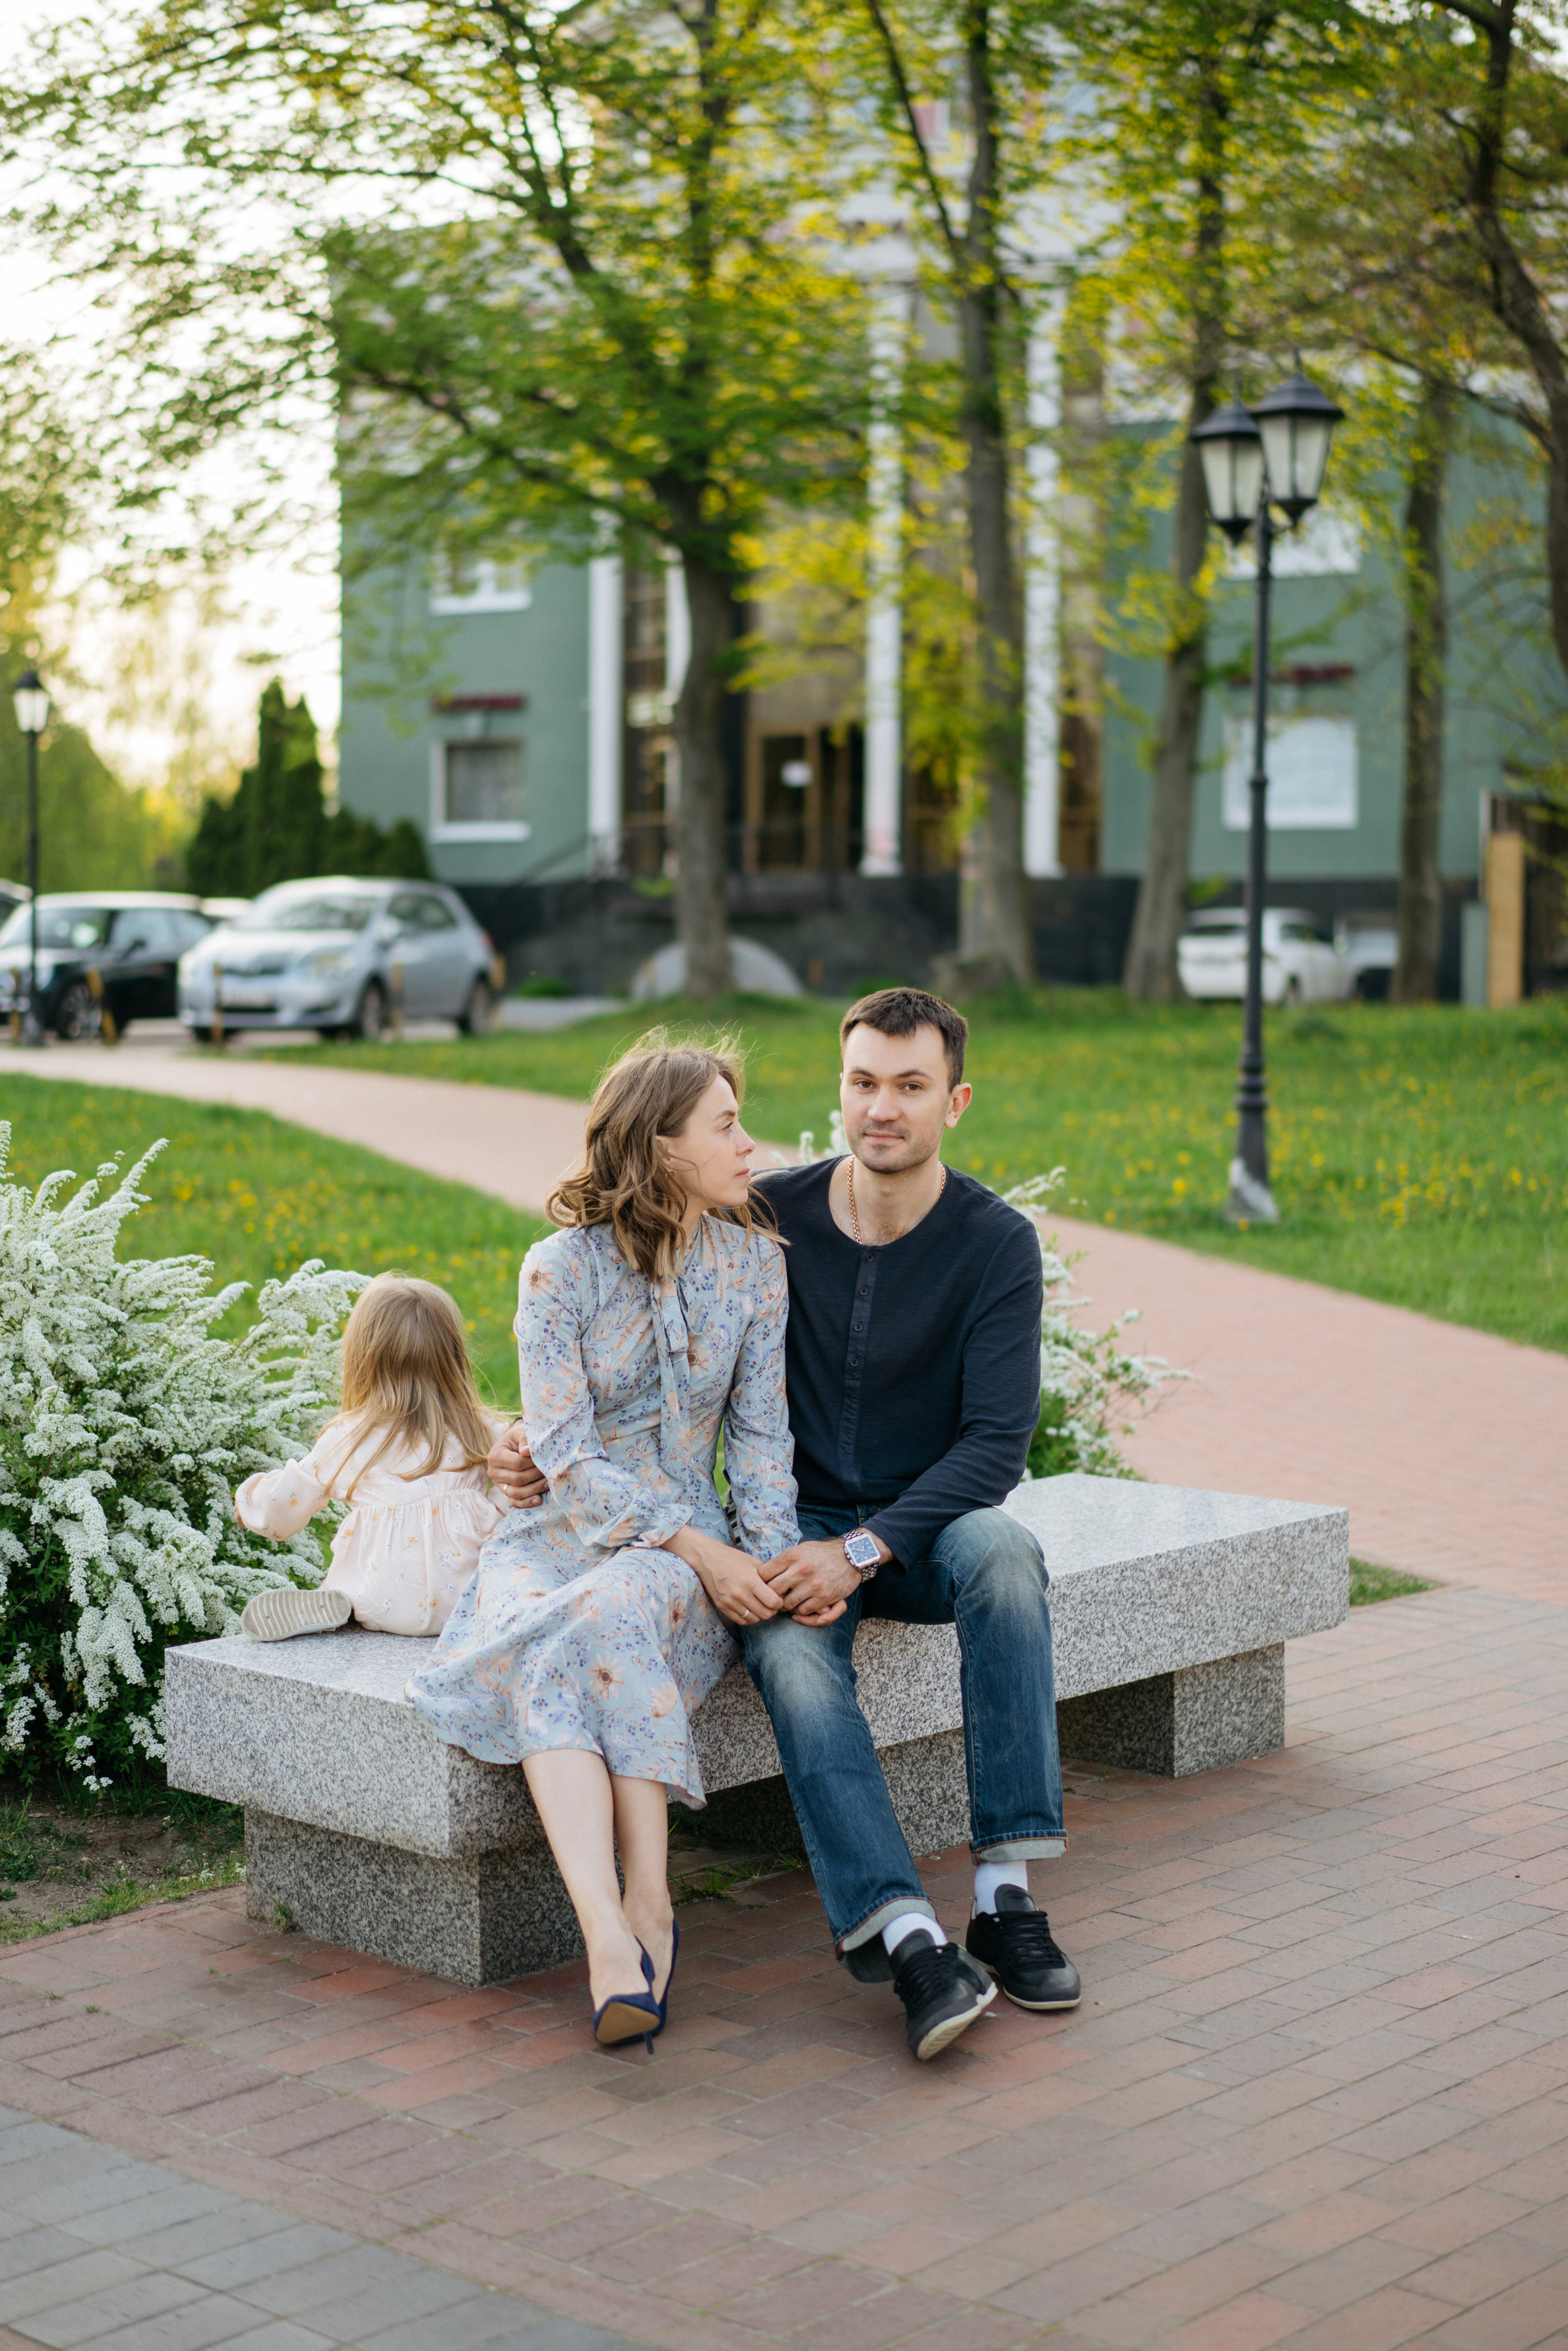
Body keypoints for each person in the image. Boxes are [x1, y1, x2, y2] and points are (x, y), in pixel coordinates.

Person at [490, 987, 1080, 2066]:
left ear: (955, 1100)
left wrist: (862, 1550)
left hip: (921, 1529)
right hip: (785, 1527)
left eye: (910, 1086)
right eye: (862, 1082)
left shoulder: (997, 1244)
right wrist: (524, 1443)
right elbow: (624, 1292)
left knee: (1009, 1555)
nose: (882, 1107)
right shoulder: (771, 1215)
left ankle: (1005, 1897)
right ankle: (906, 1940)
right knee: (798, 1668)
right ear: (841, 1088)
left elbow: (996, 1448)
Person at [407, 1038, 798, 2054]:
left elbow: (759, 1445)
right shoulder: (558, 1270)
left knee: (613, 1607)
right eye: (725, 1125)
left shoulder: (756, 1267)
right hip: (556, 1536)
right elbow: (568, 1459)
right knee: (575, 1618)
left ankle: (651, 1904)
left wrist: (770, 1563)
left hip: (683, 1560)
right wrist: (702, 1553)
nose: (749, 1143)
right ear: (661, 1148)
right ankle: (610, 1933)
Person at [236, 1275, 507, 1641]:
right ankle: (345, 1601)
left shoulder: (348, 1438)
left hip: (384, 1595)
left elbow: (282, 1508)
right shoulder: (481, 1427)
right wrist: (494, 1517)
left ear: (362, 1358)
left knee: (365, 1578)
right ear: (453, 1355)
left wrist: (250, 1501)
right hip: (472, 1595)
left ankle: (343, 1602)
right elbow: (525, 1473)